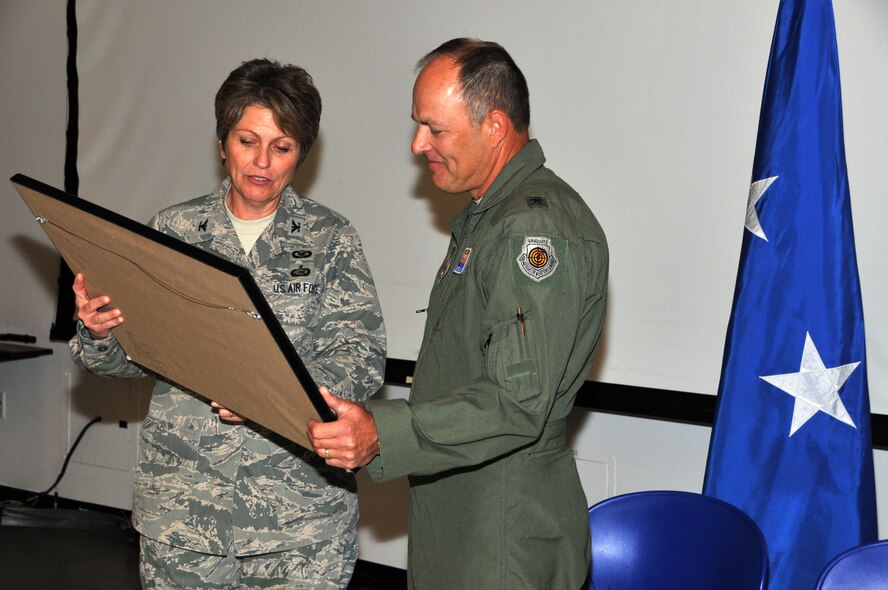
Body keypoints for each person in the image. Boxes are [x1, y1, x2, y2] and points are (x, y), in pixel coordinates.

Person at [70, 58, 386, 589]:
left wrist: (269, 393)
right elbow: (132, 358)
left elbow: (360, 354)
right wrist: (100, 332)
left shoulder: (331, 237)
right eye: (247, 141)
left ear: (301, 155)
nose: (262, 162)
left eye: (281, 147)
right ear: (222, 143)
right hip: (181, 515)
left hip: (298, 521)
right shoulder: (171, 230)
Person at [308, 39, 608, 589]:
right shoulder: (488, 217)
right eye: (417, 125)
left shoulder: (531, 230)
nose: (419, 144)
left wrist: (383, 432)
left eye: (435, 128)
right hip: (464, 515)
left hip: (501, 533)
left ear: (495, 127)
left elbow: (516, 402)